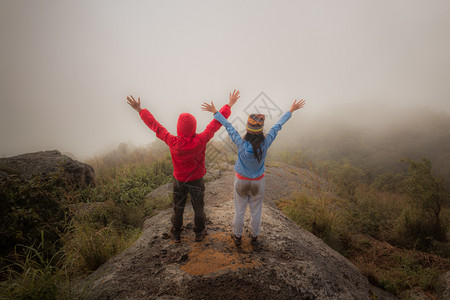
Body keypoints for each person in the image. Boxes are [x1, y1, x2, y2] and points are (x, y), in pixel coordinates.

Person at [127, 90, 240, 242]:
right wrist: (229, 104)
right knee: (198, 206)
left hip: (179, 181)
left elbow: (156, 126)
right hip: (196, 180)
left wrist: (140, 110)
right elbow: (215, 124)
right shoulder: (200, 140)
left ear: (179, 128)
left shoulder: (172, 141)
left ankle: (176, 232)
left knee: (178, 207)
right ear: (193, 126)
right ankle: (199, 232)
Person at [201, 98, 305, 246]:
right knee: (256, 211)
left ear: (248, 129)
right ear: (261, 130)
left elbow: (228, 126)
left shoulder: (241, 143)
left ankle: (237, 237)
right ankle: (254, 237)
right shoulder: (266, 142)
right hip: (258, 182)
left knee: (240, 211)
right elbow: (278, 125)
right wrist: (291, 110)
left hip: (241, 181)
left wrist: (216, 112)